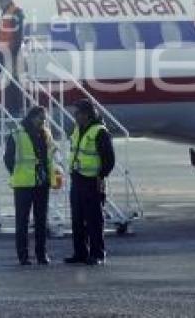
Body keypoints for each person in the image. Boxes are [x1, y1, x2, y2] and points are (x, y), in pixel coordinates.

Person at [64, 99, 115, 266]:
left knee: (94, 220)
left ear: (86, 114)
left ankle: (98, 253)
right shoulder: (79, 130)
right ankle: (80, 252)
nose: (75, 116)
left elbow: (109, 159)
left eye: (77, 113)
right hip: (77, 178)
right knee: (77, 219)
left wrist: (101, 175)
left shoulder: (100, 132)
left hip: (92, 180)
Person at [4, 106, 57, 265]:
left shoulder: (46, 134)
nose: (43, 122)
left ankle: (41, 254)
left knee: (41, 220)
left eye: (45, 119)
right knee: (22, 221)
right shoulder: (17, 135)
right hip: (24, 184)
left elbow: (50, 157)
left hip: (42, 183)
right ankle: (23, 256)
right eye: (41, 118)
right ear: (32, 117)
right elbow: (8, 159)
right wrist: (18, 174)